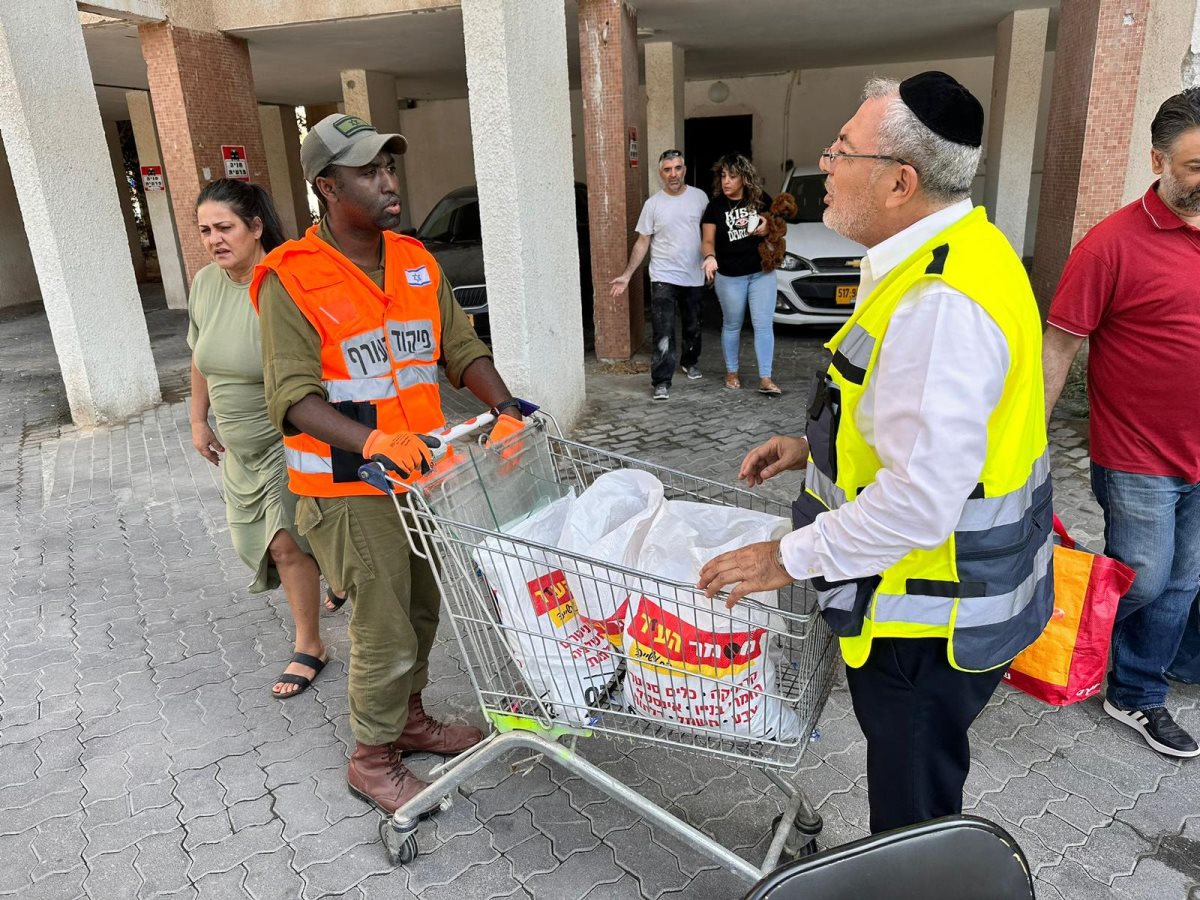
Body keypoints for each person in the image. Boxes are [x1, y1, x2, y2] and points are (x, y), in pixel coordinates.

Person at [698, 72, 1053, 832]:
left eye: (841, 150)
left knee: (913, 818)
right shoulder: (960, 252)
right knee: (915, 791)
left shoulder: (939, 304)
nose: (825, 164)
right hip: (946, 604)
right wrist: (810, 446)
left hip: (925, 624)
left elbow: (921, 503)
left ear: (900, 180)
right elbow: (913, 422)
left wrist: (784, 558)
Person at [251, 113, 524, 814]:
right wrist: (371, 442)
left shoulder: (414, 260)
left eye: (389, 167)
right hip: (350, 488)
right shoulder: (292, 279)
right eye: (368, 171)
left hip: (422, 478)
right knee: (383, 625)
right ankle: (371, 757)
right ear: (327, 185)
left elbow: (459, 348)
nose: (387, 181)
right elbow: (292, 398)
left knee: (423, 610)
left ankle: (407, 722)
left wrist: (506, 407)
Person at [1042, 88, 1200, 759]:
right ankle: (1068, 638)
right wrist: (1025, 445)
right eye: (1194, 165)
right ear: (1157, 159)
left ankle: (1136, 683)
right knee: (1147, 574)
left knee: (1186, 580)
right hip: (1137, 453)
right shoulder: (1110, 245)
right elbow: (1058, 348)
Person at [189, 178, 344, 700]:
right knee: (285, 539)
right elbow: (199, 356)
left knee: (284, 544)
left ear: (256, 228)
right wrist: (197, 419)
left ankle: (310, 646)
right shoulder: (206, 284)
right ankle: (336, 578)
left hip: (287, 433)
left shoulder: (284, 281)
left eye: (225, 227)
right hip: (239, 447)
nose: (214, 239)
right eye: (205, 230)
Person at [610, 149, 709, 401]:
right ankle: (662, 381)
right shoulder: (653, 204)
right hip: (663, 275)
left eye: (677, 168)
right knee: (663, 330)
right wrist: (627, 274)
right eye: (667, 169)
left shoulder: (700, 198)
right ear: (661, 173)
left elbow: (709, 234)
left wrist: (711, 261)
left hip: (694, 274)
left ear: (684, 170)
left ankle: (689, 361)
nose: (673, 174)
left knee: (692, 325)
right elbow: (643, 241)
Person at [700, 153, 780, 396]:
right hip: (729, 276)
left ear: (744, 178)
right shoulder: (715, 207)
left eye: (732, 176)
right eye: (723, 176)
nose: (726, 181)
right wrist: (710, 257)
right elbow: (707, 240)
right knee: (733, 324)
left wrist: (768, 227)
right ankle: (732, 372)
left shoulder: (761, 200)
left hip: (761, 273)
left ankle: (766, 378)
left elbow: (778, 226)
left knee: (764, 325)